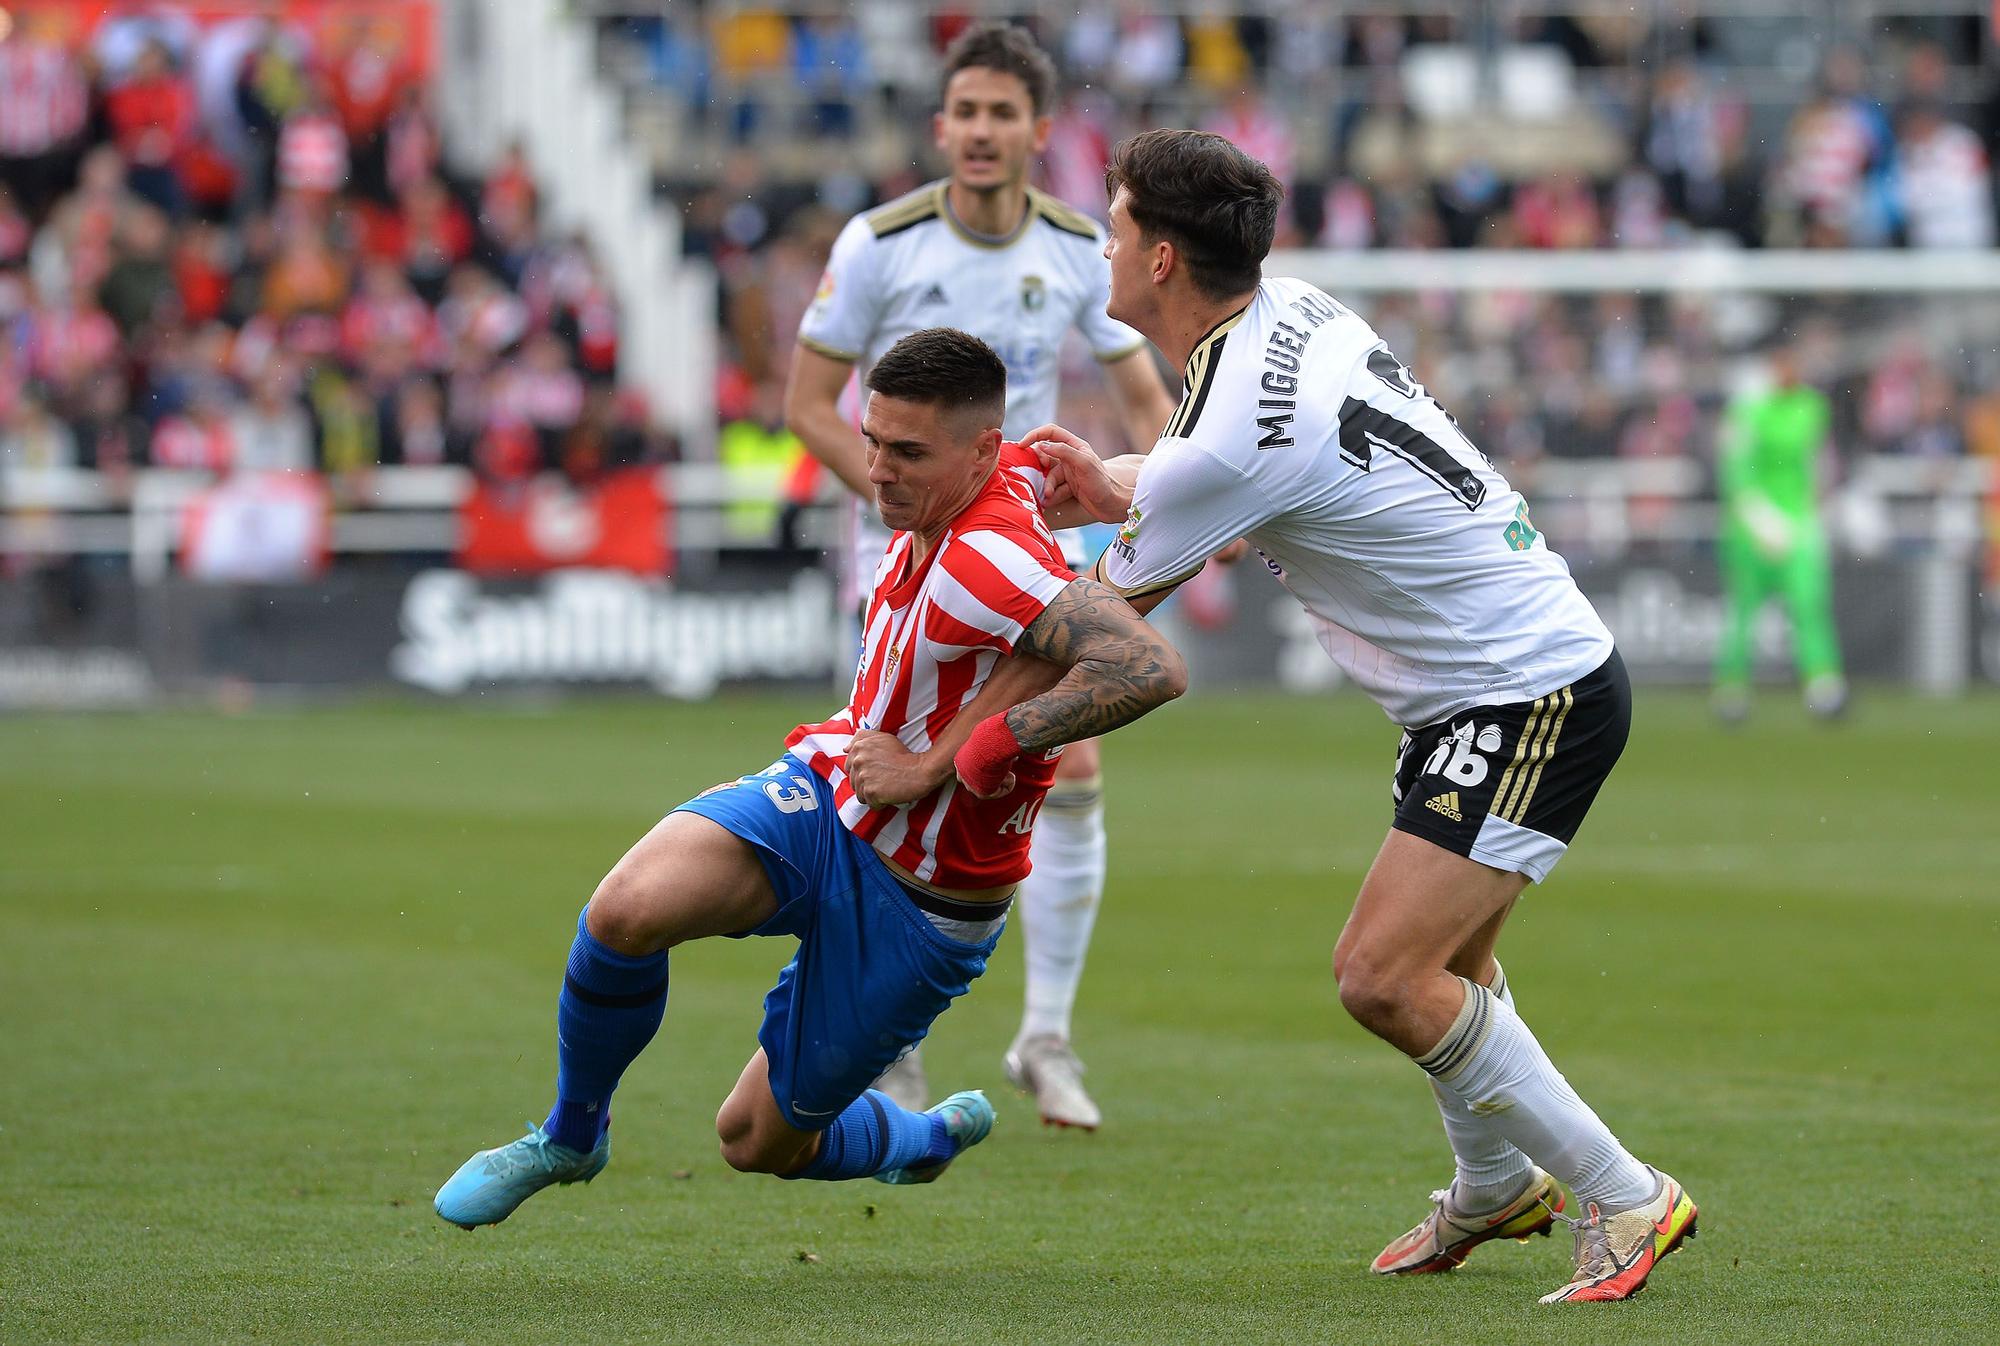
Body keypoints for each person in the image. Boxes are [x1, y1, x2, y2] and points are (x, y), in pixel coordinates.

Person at [1028, 129, 1697, 1305]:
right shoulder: (1295, 310)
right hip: (1493, 682)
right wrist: (1116, 479)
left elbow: (1105, 611)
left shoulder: (1223, 425)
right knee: (1449, 960)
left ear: (1164, 258)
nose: (1106, 242)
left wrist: (952, 642)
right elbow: (1239, 470)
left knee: (1381, 974)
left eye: (1118, 220)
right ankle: (1492, 1186)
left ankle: (1622, 1189)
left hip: (1522, 689)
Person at [434, 328, 1186, 1228]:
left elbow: (1150, 669)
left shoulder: (991, 562)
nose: (876, 471)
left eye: (907, 453)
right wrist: (1116, 476)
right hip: (835, 792)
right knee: (626, 910)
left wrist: (963, 757)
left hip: (925, 897)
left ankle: (920, 1141)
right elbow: (1178, 478)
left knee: (754, 1142)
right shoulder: (1015, 469)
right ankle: (569, 1136)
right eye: (872, 440)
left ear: (978, 449)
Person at [785, 22, 1179, 1128]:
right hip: (901, 553)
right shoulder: (880, 242)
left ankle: (1045, 1037)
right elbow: (807, 404)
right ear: (939, 126)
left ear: (1037, 132)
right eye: (964, 111)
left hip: (1011, 548)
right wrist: (887, 496)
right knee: (890, 777)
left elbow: (1148, 400)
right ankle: (892, 1041)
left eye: (1002, 113)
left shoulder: (1069, 248)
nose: (979, 131)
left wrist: (1179, 488)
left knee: (1071, 761)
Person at [1714, 338, 1846, 720]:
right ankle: (1731, 689)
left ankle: (1823, 685)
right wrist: (1756, 516)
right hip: (1751, 524)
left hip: (1799, 522)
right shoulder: (1750, 408)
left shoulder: (1811, 407)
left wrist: (1816, 513)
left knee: (1809, 604)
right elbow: (1734, 466)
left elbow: (1820, 463)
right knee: (1743, 611)